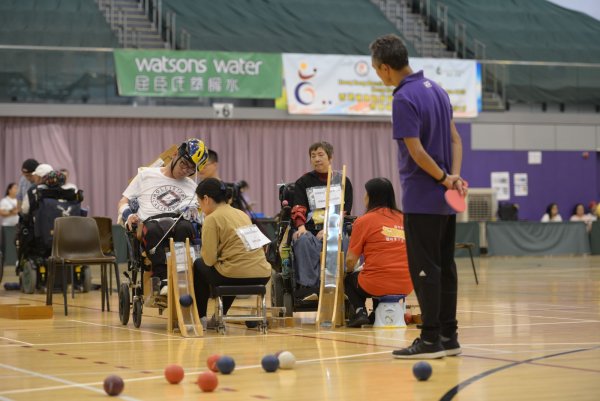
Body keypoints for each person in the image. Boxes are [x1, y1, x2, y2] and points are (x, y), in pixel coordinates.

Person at [370, 34, 466, 359]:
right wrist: (452, 179)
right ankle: (449, 336)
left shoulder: (403, 98)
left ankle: (429, 340)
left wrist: (442, 178)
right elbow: (456, 140)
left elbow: (416, 151)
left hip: (422, 198)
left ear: (385, 68)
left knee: (425, 269)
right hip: (444, 200)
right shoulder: (437, 90)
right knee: (446, 267)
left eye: (376, 70)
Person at [117, 138, 208, 296]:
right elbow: (123, 200)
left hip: (178, 222)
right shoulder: (146, 175)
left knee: (186, 227)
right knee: (152, 230)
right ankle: (162, 278)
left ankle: (182, 277)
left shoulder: (192, 187)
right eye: (184, 164)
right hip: (151, 223)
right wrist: (128, 215)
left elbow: (201, 212)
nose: (185, 171)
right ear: (175, 155)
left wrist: (196, 213)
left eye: (191, 169)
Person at [192, 178, 271, 329]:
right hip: (262, 274)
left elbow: (209, 260)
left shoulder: (211, 219)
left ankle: (200, 318)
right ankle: (217, 318)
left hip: (233, 274)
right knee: (232, 266)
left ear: (206, 199)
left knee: (199, 265)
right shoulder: (242, 214)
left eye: (199, 201)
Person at [344, 178, 413, 328]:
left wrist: (346, 272)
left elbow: (350, 261)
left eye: (366, 193)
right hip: (407, 284)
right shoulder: (405, 219)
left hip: (376, 283)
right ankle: (375, 313)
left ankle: (359, 312)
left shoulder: (363, 221)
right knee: (375, 271)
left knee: (349, 280)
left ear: (372, 197)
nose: (364, 197)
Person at [291, 141, 353, 297]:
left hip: (334, 228)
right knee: (302, 240)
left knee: (343, 241)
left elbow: (344, 212)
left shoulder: (342, 181)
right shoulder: (303, 182)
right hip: (310, 230)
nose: (316, 159)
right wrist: (301, 228)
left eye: (320, 155)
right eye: (313, 156)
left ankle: (340, 285)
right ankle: (310, 288)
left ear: (330, 158)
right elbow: (298, 208)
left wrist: (328, 229)